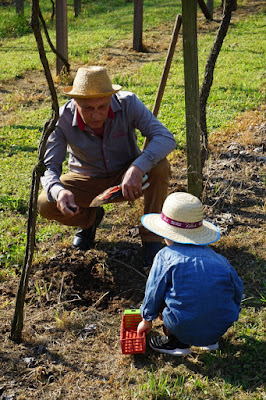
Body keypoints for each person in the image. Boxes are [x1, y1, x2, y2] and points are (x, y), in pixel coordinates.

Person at [37, 66, 176, 269]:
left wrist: (137, 168)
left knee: (160, 166)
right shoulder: (61, 120)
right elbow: (50, 167)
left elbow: (165, 137)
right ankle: (89, 220)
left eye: (102, 107)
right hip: (87, 180)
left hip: (128, 177)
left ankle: (151, 239)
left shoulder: (128, 103)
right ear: (75, 102)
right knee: (44, 202)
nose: (96, 115)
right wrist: (59, 192)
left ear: (112, 97)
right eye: (88, 109)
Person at [137, 192, 243, 356]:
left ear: (165, 232)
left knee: (165, 295)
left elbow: (153, 291)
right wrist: (229, 311)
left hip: (182, 325)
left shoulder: (165, 257)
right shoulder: (220, 260)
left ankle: (177, 342)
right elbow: (237, 289)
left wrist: (146, 320)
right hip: (220, 325)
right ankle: (210, 341)